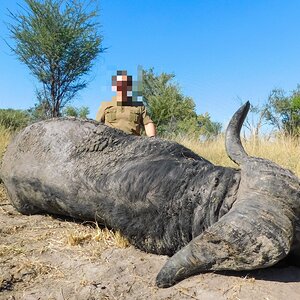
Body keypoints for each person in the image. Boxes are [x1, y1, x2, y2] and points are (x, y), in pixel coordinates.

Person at [96, 70, 156, 137]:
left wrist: (152, 138)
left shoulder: (139, 105)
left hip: (133, 143)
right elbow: (97, 125)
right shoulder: (105, 104)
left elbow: (147, 123)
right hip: (111, 142)